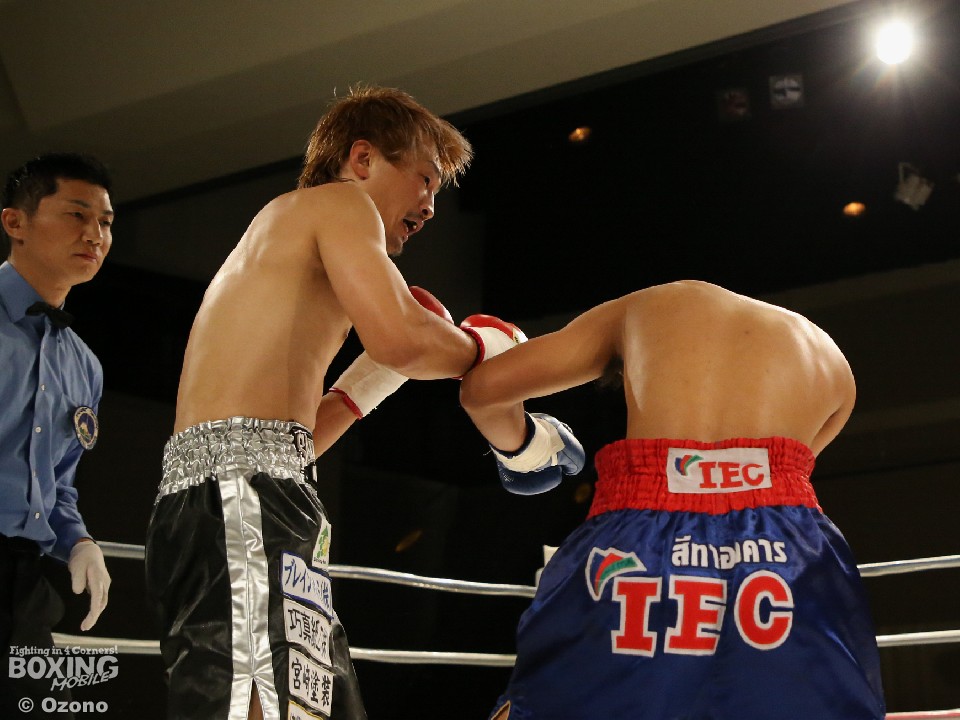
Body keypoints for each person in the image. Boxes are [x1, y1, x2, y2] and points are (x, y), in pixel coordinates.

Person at [143, 85, 523, 720]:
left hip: (252, 493)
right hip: (242, 500)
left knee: (314, 706)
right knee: (267, 706)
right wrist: (487, 349)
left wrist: (364, 386)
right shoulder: (341, 204)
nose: (431, 206)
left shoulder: (291, 240)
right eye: (425, 179)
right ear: (363, 158)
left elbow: (280, 440)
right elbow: (404, 338)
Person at [460, 280, 886, 720]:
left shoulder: (654, 304)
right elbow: (776, 485)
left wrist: (527, 448)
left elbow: (483, 391)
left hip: (639, 536)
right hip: (788, 553)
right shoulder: (832, 360)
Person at [0, 153, 114, 716]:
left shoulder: (85, 366)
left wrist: (78, 540)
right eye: (76, 214)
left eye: (106, 222)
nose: (94, 234)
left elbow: (58, 482)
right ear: (15, 222)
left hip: (25, 582)